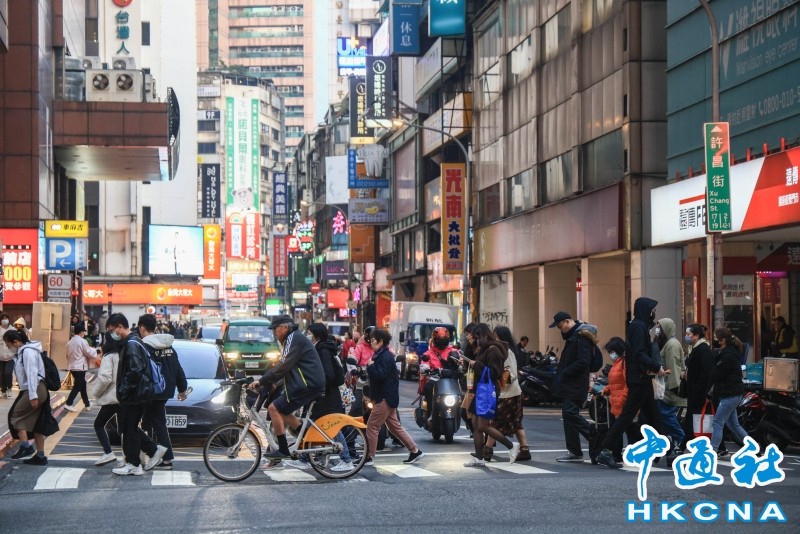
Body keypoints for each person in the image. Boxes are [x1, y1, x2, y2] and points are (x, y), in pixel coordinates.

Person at [596, 297, 669, 469]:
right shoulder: (638, 327)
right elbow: (639, 353)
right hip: (639, 379)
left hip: (642, 378)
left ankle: (668, 448)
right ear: (645, 310)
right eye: (652, 310)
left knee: (653, 416)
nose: (653, 313)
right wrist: (656, 366)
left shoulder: (639, 326)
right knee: (628, 417)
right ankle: (605, 451)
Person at [249, 314, 325, 461]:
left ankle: (283, 449)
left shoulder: (293, 338)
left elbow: (283, 365)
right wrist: (271, 382)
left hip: (307, 384)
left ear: (285, 327)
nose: (274, 332)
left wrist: (262, 381)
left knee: (273, 408)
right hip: (307, 384)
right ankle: (310, 438)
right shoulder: (292, 339)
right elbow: (284, 366)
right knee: (281, 411)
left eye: (275, 329)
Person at [108, 313, 167, 476]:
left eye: (112, 330)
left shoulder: (132, 344)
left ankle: (134, 463)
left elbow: (135, 371)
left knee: (129, 429)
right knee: (128, 427)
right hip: (139, 394)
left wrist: (123, 390)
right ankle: (151, 451)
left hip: (135, 395)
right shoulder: (134, 341)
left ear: (120, 327)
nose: (112, 334)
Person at [291, 323, 355, 472]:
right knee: (312, 425)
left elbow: (329, 375)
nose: (308, 336)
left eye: (310, 333)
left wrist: (316, 384)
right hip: (323, 395)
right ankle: (305, 458)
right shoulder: (321, 348)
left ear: (316, 335)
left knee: (331, 428)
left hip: (326, 397)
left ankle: (346, 460)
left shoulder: (323, 350)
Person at [461, 323, 520, 467]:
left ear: (482, 336)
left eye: (476, 337)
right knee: (475, 425)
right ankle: (479, 458)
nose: (474, 340)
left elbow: (494, 373)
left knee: (482, 426)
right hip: (480, 390)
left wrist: (477, 365)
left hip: (488, 391)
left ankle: (511, 446)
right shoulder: (484, 349)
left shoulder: (494, 350)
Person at [364, 328, 424, 466]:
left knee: (372, 426)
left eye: (373, 340)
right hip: (388, 397)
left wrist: (370, 367)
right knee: (395, 427)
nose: (371, 342)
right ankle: (415, 451)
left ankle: (369, 456)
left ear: (380, 341)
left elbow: (380, 375)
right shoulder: (382, 355)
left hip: (384, 398)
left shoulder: (385, 356)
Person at [140, 313, 189, 471]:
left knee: (150, 424)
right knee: (150, 422)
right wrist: (182, 389)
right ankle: (155, 456)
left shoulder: (144, 346)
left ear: (142, 328)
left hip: (150, 391)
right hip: (165, 390)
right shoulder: (168, 346)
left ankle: (161, 456)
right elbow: (178, 368)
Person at [549, 311, 598, 463]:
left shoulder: (581, 336)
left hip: (576, 383)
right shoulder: (573, 336)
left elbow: (583, 361)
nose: (559, 329)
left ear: (567, 321)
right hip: (570, 383)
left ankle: (593, 434)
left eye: (559, 326)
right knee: (568, 415)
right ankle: (575, 451)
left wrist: (565, 372)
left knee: (570, 413)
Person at [4, 329, 56, 465]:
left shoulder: (27, 352)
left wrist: (33, 395)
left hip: (35, 389)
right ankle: (40, 456)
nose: (8, 347)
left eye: (8, 344)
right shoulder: (25, 351)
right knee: (37, 423)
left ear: (16, 342)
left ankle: (25, 446)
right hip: (36, 389)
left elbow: (32, 373)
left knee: (14, 415)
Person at [485, 326, 531, 462]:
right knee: (516, 422)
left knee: (494, 422)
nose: (493, 338)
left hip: (507, 393)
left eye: (495, 336)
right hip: (513, 392)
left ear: (500, 337)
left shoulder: (505, 351)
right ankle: (524, 449)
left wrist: (499, 380)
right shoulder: (506, 349)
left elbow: (511, 373)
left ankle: (487, 450)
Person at [708, 327, 749, 456]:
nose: (713, 340)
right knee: (733, 425)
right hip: (731, 393)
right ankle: (753, 448)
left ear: (723, 340)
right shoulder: (727, 353)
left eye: (715, 338)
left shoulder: (728, 356)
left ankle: (712, 452)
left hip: (730, 394)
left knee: (717, 422)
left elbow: (716, 374)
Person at [600, 337, 640, 464]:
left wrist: (621, 400)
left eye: (612, 351)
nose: (611, 354)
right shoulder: (617, 363)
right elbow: (615, 382)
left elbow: (628, 384)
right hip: (617, 403)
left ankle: (627, 455)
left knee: (627, 431)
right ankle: (618, 455)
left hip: (623, 403)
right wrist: (607, 389)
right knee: (624, 430)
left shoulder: (624, 363)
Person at [680, 324, 717, 451]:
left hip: (699, 392)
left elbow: (706, 373)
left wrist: (701, 391)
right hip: (695, 391)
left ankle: (684, 445)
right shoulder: (695, 348)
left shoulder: (703, 350)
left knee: (695, 419)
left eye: (689, 334)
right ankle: (686, 444)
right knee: (695, 419)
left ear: (696, 335)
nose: (687, 336)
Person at [87, 336, 123, 466]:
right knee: (125, 428)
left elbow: (105, 379)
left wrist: (96, 392)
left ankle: (108, 452)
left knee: (98, 424)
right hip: (123, 397)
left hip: (112, 398)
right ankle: (131, 457)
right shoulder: (123, 354)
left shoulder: (109, 357)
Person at [656, 318, 686, 450]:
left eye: (659, 327)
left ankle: (682, 440)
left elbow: (673, 367)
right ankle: (675, 444)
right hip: (665, 386)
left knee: (666, 415)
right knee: (665, 416)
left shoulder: (671, 345)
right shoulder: (668, 343)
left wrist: (674, 386)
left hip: (669, 387)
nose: (657, 330)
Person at [64, 321, 101, 412]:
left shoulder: (70, 342)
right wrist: (97, 351)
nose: (84, 333)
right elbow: (88, 351)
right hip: (80, 367)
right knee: (78, 386)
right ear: (81, 332)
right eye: (83, 331)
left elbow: (67, 355)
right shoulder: (82, 341)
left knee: (82, 385)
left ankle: (87, 404)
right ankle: (68, 403)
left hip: (72, 366)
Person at [0, 313, 15, 398]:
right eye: (3, 318)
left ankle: (9, 388)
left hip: (10, 356)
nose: (4, 320)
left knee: (8, 373)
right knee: (1, 375)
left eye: (6, 318)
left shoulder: (12, 329)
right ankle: (3, 390)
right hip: (1, 356)